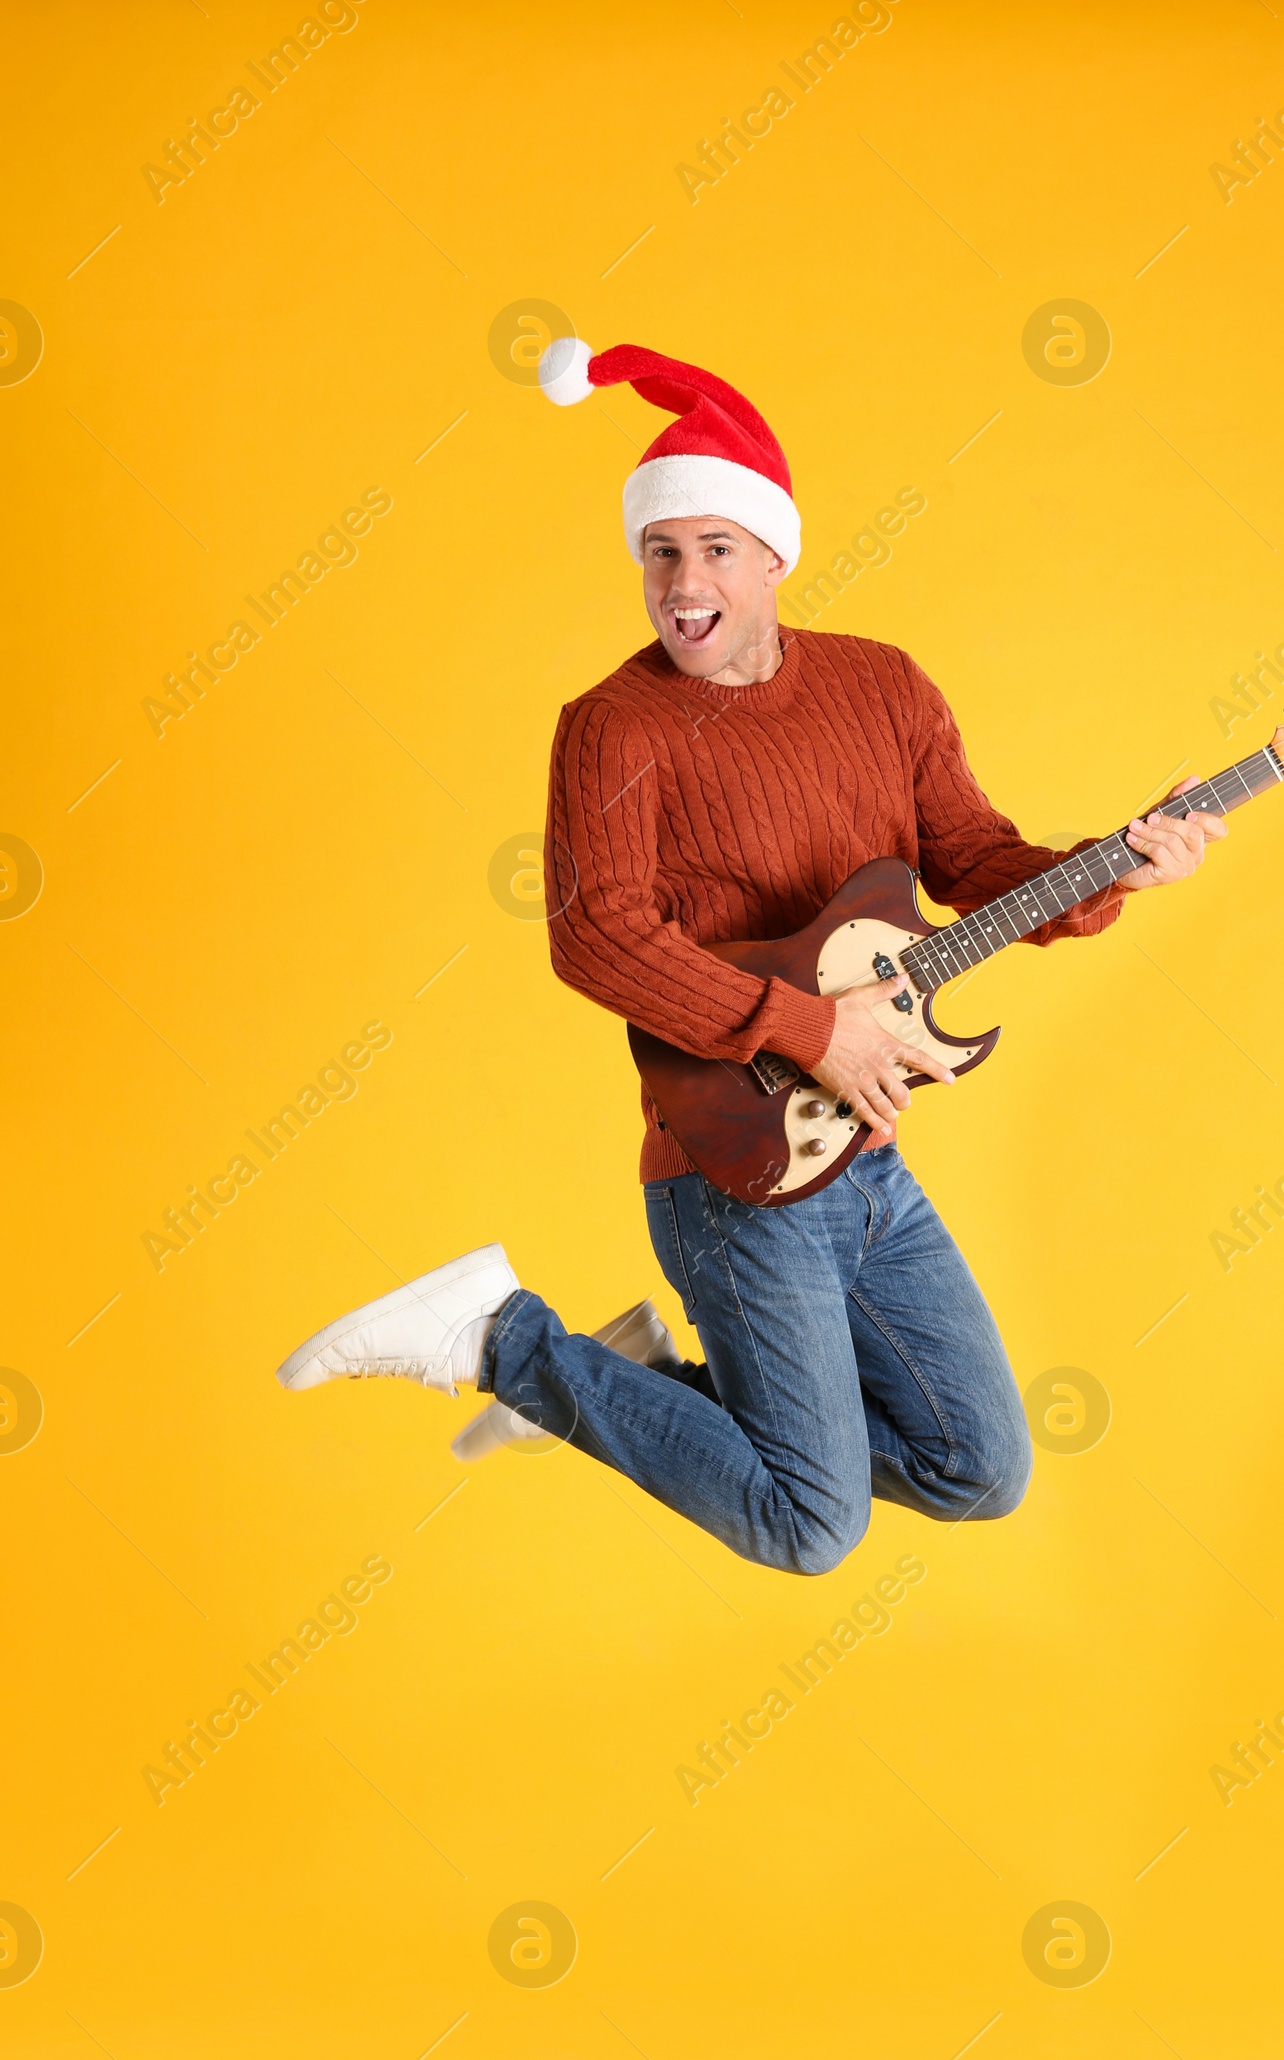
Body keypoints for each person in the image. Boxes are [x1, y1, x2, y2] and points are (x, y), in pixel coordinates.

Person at [276, 340, 1225, 1573]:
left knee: (978, 1466)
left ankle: (629, 1380)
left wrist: (1115, 866)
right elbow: (597, 935)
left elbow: (977, 860)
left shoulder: (882, 687)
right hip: (731, 1168)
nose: (683, 582)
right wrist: (814, 1027)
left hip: (864, 1160)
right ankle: (502, 1336)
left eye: (716, 549)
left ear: (774, 556)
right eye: (661, 553)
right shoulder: (612, 727)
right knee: (807, 1522)